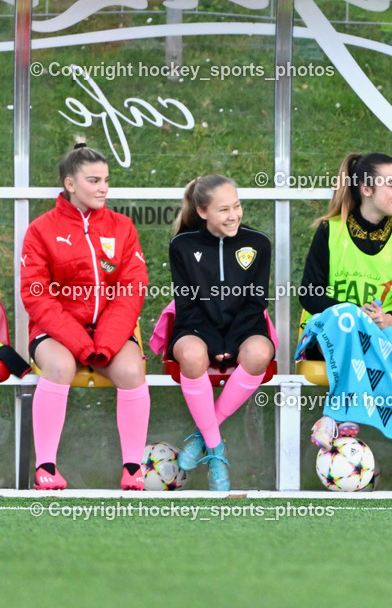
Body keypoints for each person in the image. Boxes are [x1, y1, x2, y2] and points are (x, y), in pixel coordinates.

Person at [21, 140, 150, 490]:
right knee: (60, 366)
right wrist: (80, 342)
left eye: (106, 180)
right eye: (93, 180)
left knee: (131, 369)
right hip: (56, 333)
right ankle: (46, 467)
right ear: (70, 184)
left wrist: (104, 341)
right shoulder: (41, 229)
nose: (103, 187)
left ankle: (133, 469)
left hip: (108, 332)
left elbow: (132, 290)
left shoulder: (122, 227)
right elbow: (36, 295)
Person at [300, 152, 392, 446]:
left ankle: (332, 418)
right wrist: (354, 315)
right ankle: (344, 415)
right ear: (367, 189)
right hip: (324, 342)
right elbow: (309, 294)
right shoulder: (330, 231)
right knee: (347, 320)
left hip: (379, 342)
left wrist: (388, 319)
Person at [168, 175, 274, 491]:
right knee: (191, 354)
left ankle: (202, 437)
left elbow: (256, 303)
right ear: (202, 212)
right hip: (195, 327)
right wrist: (214, 342)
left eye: (237, 206)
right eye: (224, 209)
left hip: (245, 327)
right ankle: (216, 449)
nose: (234, 215)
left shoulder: (258, 243)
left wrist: (229, 342)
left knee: (259, 353)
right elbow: (186, 305)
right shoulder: (182, 246)